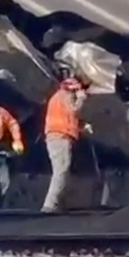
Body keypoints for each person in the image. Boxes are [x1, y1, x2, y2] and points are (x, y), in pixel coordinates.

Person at [42, 77, 89, 213]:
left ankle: (58, 203)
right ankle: (50, 205)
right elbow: (73, 110)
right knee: (61, 171)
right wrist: (81, 98)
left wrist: (80, 126)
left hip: (57, 136)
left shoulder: (58, 97)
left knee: (62, 170)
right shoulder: (67, 95)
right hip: (60, 138)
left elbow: (67, 118)